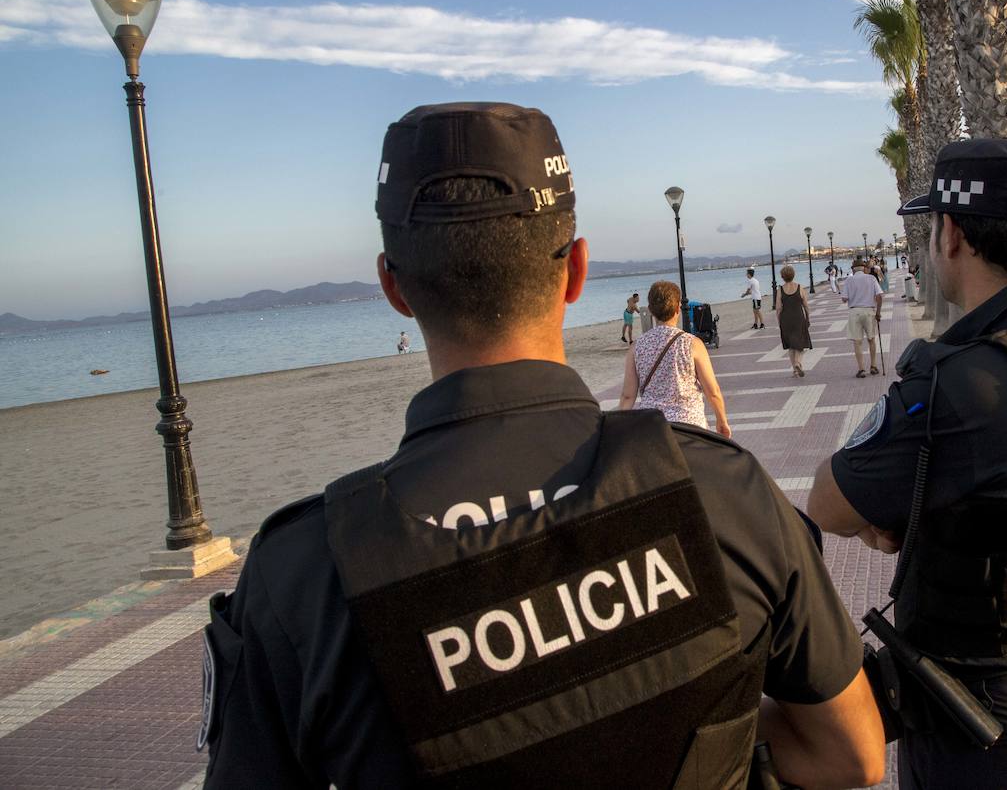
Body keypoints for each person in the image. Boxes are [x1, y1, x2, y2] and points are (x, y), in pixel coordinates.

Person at [201, 103, 885, 789]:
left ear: (393, 287)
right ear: (576, 270)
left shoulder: (303, 579)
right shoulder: (722, 496)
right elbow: (853, 756)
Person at [808, 138, 1007, 790]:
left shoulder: (963, 385)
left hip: (983, 729)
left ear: (950, 234)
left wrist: (897, 515)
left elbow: (826, 501)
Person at [620, 280, 731, 436]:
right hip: (691, 428)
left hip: (654, 430)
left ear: (651, 310)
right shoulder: (693, 344)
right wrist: (722, 421)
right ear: (678, 308)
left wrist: (619, 429)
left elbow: (628, 396)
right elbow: (712, 391)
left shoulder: (636, 347)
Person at [841, 259, 882, 378]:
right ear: (864, 268)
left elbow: (844, 299)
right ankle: (873, 366)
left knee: (857, 342)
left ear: (853, 269)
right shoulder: (871, 278)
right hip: (869, 311)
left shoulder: (849, 280)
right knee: (871, 340)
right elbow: (879, 296)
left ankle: (861, 369)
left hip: (855, 312)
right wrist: (878, 312)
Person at [776, 264, 812, 378]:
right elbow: (805, 305)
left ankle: (795, 370)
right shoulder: (799, 287)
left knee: (791, 346)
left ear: (782, 277)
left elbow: (778, 308)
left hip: (786, 319)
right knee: (800, 343)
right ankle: (798, 363)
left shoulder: (780, 290)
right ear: (793, 275)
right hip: (798, 318)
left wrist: (779, 321)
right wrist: (808, 317)